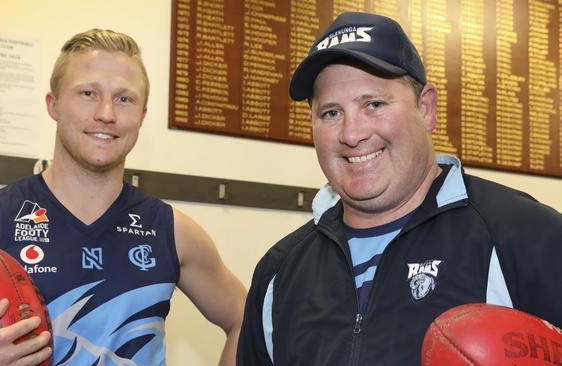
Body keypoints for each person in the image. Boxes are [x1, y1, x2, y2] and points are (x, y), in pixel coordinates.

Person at [237, 11, 562, 365]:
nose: (352, 133)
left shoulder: (524, 236)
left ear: (426, 108)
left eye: (373, 105)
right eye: (331, 113)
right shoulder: (278, 272)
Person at [0, 29, 246, 366]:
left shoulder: (173, 231)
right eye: (87, 93)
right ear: (53, 104)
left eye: (124, 98)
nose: (106, 113)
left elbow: (243, 318)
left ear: (142, 115)